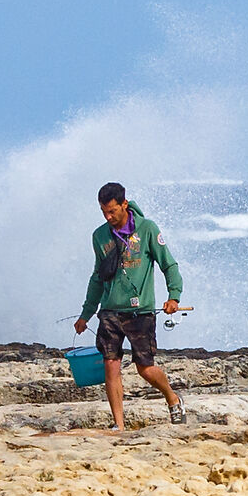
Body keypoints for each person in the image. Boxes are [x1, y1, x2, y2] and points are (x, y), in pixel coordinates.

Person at [75, 182, 186, 429]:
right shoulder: (99, 236)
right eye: (103, 211)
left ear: (124, 204)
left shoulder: (147, 229)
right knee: (110, 365)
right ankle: (119, 426)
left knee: (145, 369)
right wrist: (86, 313)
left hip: (141, 311)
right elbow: (97, 277)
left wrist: (174, 296)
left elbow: (169, 265)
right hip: (109, 311)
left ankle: (172, 397)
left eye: (112, 211)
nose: (108, 216)